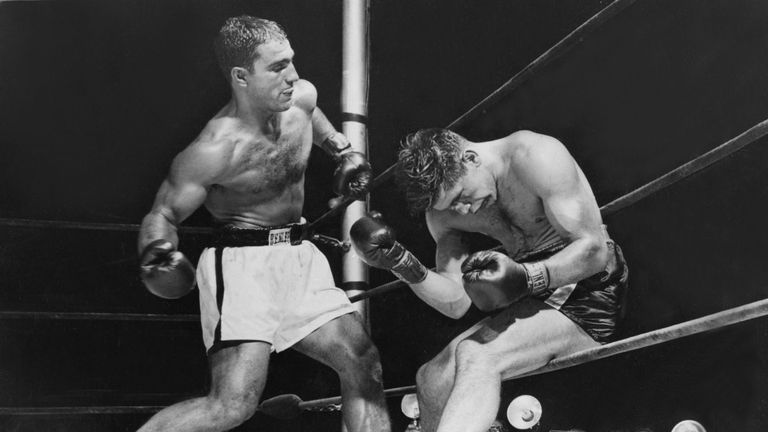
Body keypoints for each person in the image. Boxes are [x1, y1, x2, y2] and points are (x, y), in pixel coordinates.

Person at [136, 16, 390, 432]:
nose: (292, 76)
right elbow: (163, 213)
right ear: (240, 76)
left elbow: (314, 116)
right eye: (276, 68)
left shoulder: (301, 97)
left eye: (290, 61)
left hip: (300, 256)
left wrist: (341, 150)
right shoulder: (216, 148)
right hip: (243, 267)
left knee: (364, 362)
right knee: (231, 406)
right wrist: (156, 251)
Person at [350, 128, 628, 432]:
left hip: (588, 289)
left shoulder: (535, 156)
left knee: (476, 354)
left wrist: (528, 277)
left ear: (470, 159)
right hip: (530, 294)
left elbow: (594, 250)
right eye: (451, 206)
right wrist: (402, 265)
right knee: (431, 379)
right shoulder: (443, 213)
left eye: (462, 197)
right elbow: (455, 303)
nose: (463, 210)